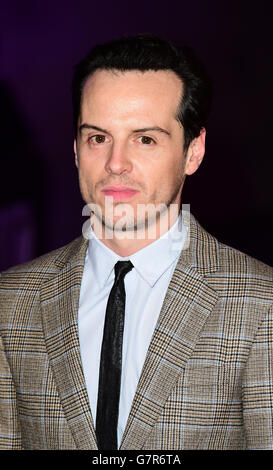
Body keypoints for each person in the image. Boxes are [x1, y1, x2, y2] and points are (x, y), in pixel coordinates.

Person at [0, 34, 272, 451]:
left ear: (193, 151)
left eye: (145, 139)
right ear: (75, 149)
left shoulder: (260, 303)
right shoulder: (11, 301)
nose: (115, 163)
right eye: (98, 138)